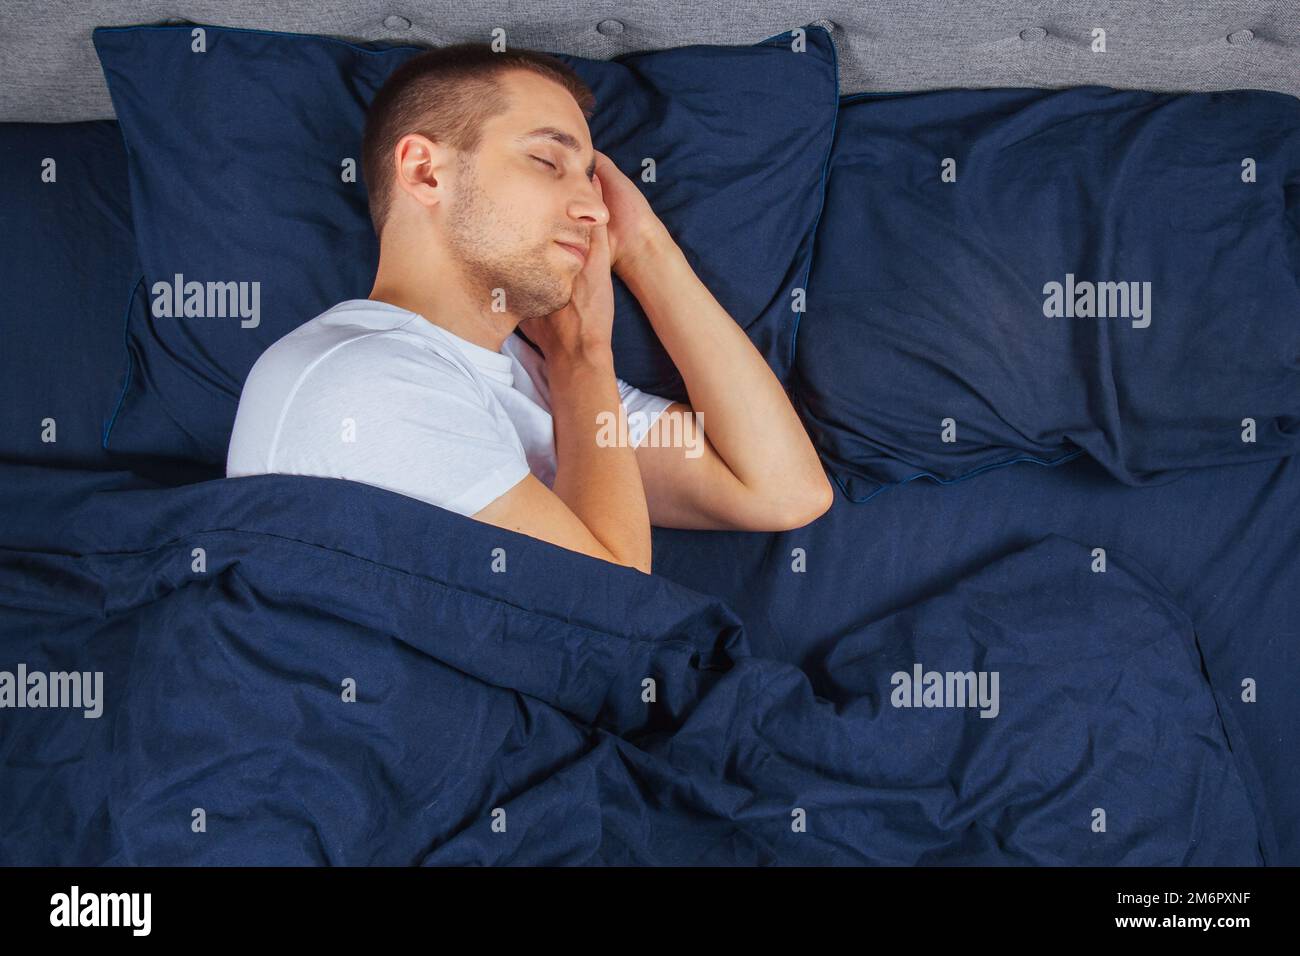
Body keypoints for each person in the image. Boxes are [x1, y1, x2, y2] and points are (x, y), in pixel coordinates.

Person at [227, 44, 832, 573]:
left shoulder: (532, 373)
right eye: (547, 161)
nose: (594, 210)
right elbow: (608, 611)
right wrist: (585, 356)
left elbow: (783, 491)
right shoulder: (361, 376)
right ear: (424, 171)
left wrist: (647, 249)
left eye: (594, 181)